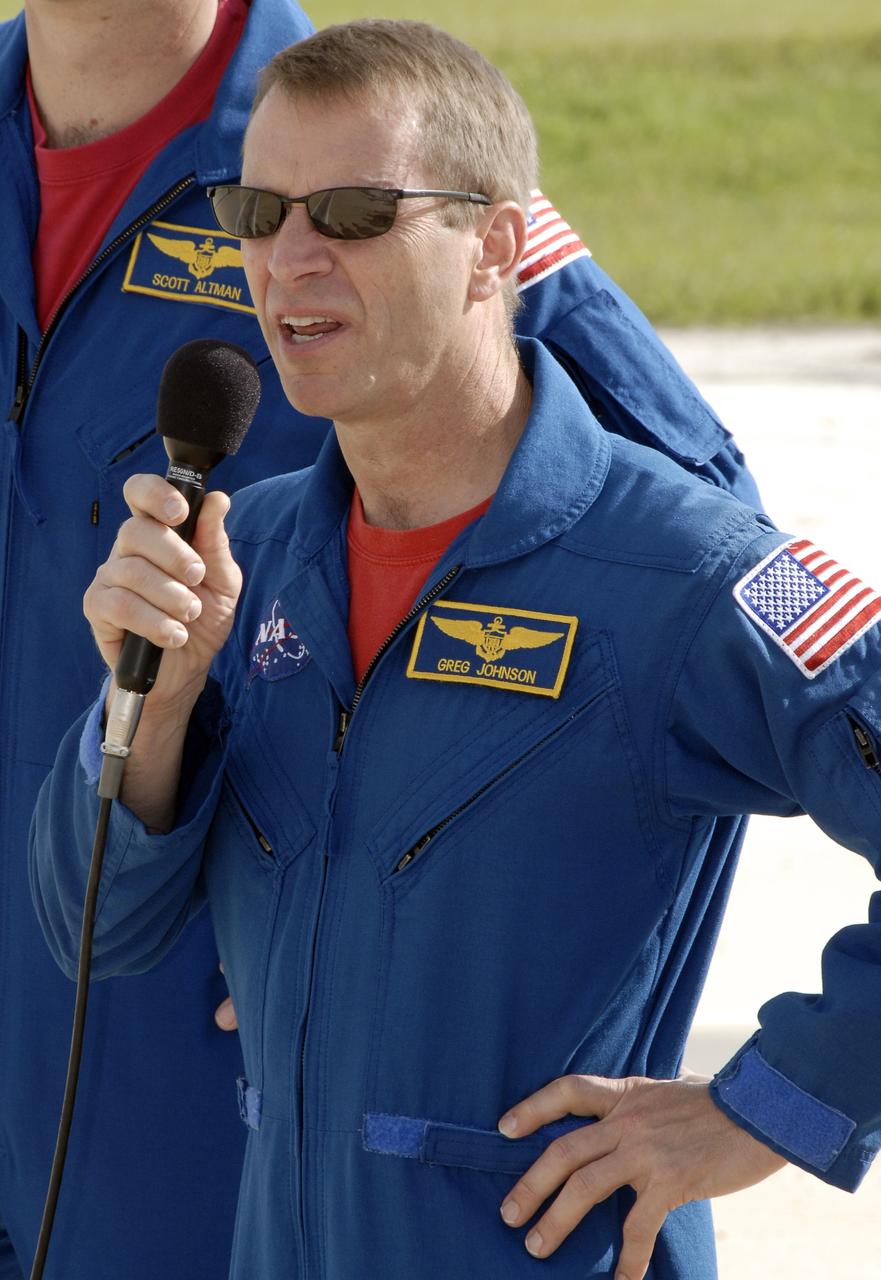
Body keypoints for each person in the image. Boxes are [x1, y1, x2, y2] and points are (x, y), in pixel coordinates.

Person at [29, 18, 881, 1280]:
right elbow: (91, 929)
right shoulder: (244, 557)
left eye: (356, 212)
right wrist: (157, 696)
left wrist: (756, 1110)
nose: (288, 259)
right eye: (257, 209)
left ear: (493, 245)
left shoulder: (679, 571)